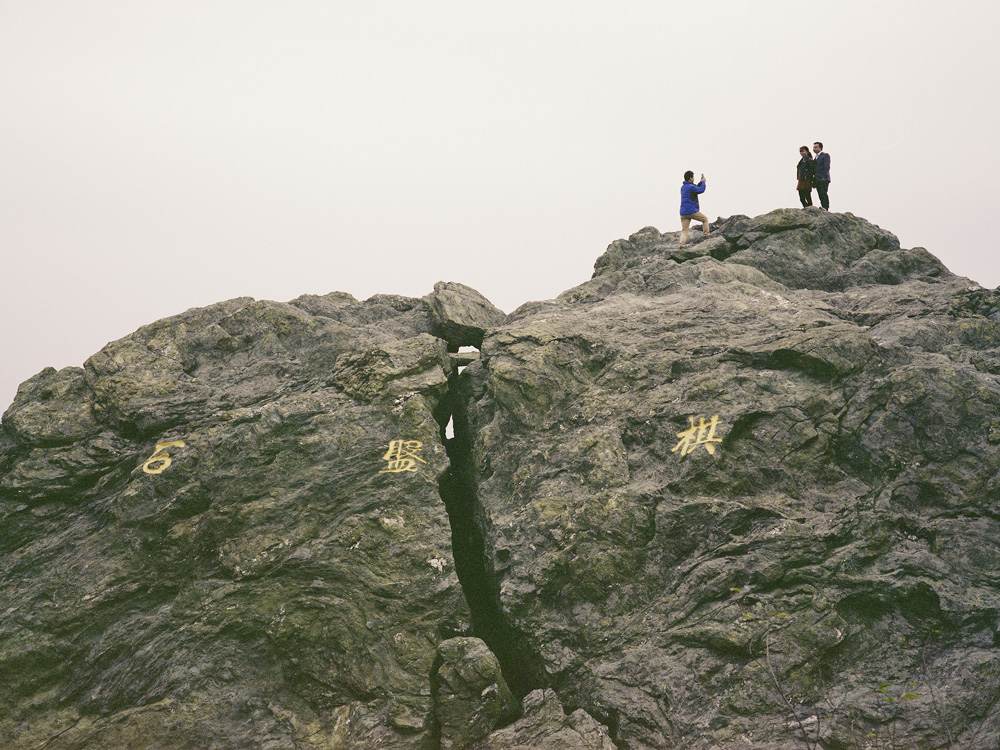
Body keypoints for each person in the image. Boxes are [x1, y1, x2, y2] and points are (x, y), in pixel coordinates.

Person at [679, 170, 709, 245]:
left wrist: (701, 182)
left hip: (683, 213)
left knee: (684, 230)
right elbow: (700, 190)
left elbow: (695, 187)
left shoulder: (683, 187)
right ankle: (706, 235)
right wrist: (703, 182)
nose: (693, 179)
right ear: (690, 178)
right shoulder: (691, 187)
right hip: (691, 211)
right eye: (693, 177)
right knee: (705, 219)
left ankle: (681, 244)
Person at [812, 141, 831, 210]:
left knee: (823, 193)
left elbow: (827, 167)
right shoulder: (815, 158)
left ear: (820, 148)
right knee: (820, 194)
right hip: (817, 180)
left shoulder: (825, 155)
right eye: (813, 147)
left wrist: (823, 177)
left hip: (824, 178)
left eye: (816, 147)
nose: (814, 149)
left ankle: (826, 208)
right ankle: (823, 207)